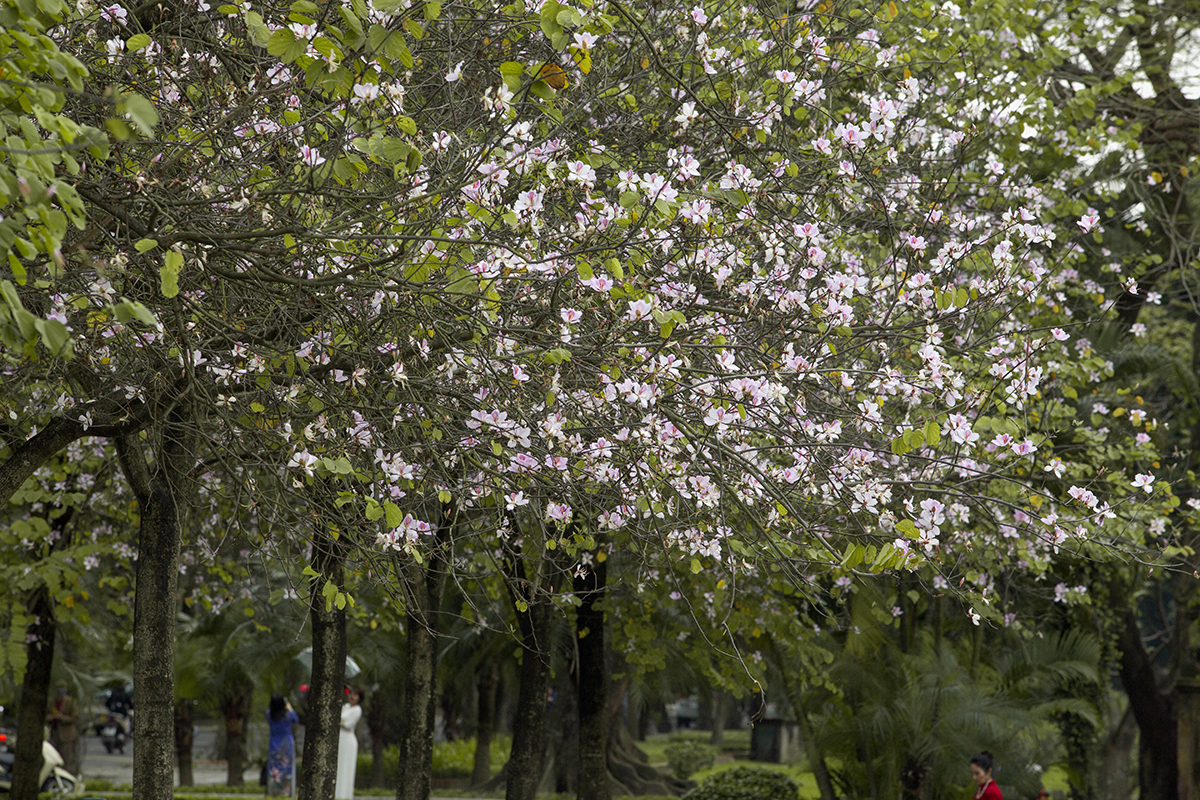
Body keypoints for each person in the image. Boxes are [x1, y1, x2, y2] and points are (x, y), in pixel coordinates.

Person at [266, 694, 299, 797]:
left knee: (274, 767)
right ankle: (287, 793)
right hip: (286, 744)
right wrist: (289, 707)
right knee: (287, 767)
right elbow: (296, 719)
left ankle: (273, 792)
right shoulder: (288, 715)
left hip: (273, 744)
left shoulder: (268, 714)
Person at [334, 688, 363, 800]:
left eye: (355, 694)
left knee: (346, 768)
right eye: (351, 694)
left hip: (348, 740)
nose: (352, 696)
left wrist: (338, 722)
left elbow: (348, 725)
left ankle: (345, 795)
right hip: (339, 739)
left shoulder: (357, 710)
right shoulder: (345, 706)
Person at [46, 685, 79, 775]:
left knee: (67, 757)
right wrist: (50, 718)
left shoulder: (70, 702)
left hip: (66, 734)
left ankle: (68, 775)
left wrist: (62, 717)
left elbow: (75, 718)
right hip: (54, 732)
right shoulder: (53, 702)